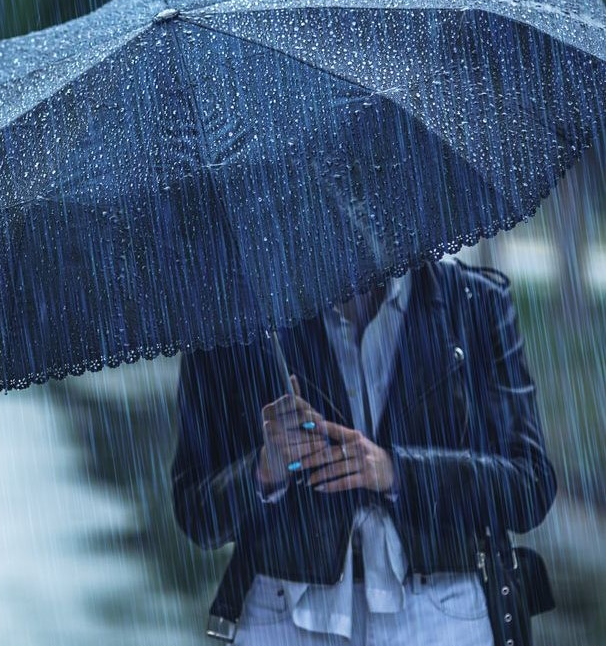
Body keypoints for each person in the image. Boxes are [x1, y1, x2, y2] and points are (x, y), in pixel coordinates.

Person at [170, 259, 556, 646]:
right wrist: (265, 468)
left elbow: (529, 486)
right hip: (283, 612)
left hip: (442, 614)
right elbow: (196, 511)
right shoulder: (231, 316)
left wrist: (397, 471)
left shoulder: (473, 302)